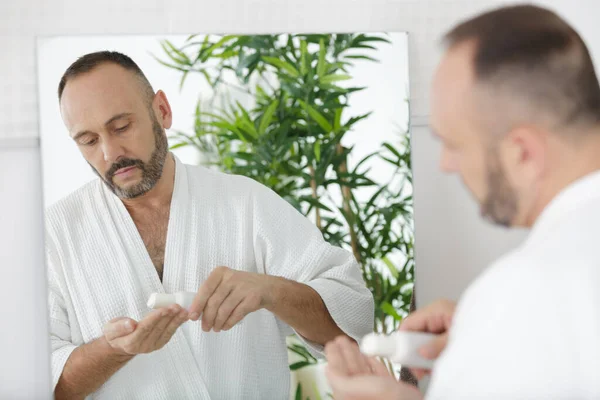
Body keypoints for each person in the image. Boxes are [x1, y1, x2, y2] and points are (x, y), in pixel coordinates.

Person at [46, 51, 374, 399]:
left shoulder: (245, 204)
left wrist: (271, 291)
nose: (111, 153)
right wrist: (116, 350)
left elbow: (352, 320)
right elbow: (42, 384)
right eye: (89, 140)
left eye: (122, 126)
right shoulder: (54, 235)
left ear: (162, 110)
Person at [325, 4, 600, 399]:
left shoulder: (526, 292)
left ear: (522, 153)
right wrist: (484, 343)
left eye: (454, 144)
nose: (446, 164)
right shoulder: (531, 304)